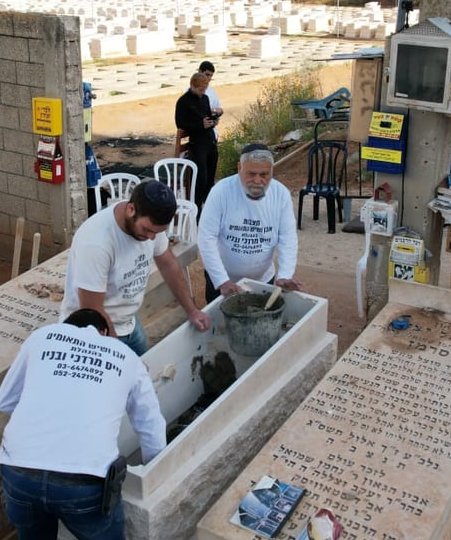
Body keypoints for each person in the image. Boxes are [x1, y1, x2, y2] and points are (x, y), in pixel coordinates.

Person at [0, 308, 166, 540]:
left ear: (66, 327)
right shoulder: (125, 355)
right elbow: (151, 426)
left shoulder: (43, 337)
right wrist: (155, 474)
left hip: (19, 469)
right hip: (85, 481)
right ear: (104, 332)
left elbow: (5, 401)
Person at [61, 179, 210, 355]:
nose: (152, 238)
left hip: (129, 323)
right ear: (131, 209)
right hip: (93, 333)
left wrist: (192, 310)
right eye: (147, 230)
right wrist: (119, 355)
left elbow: (168, 264)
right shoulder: (97, 242)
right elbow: (92, 311)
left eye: (158, 232)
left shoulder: (150, 225)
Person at [198, 142, 303, 302]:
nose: (257, 180)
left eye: (264, 174)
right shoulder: (221, 191)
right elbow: (206, 238)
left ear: (272, 171)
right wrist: (221, 280)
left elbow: (287, 238)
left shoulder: (280, 194)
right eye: (251, 173)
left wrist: (285, 275)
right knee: (218, 323)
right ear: (239, 168)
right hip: (223, 279)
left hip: (262, 280)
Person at [174, 72, 219, 211]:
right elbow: (180, 124)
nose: (202, 93)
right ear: (192, 86)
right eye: (200, 90)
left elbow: (206, 115)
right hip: (198, 143)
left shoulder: (204, 98)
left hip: (210, 140)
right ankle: (197, 210)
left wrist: (213, 121)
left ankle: (208, 207)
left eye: (204, 90)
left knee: (210, 178)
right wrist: (200, 125)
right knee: (201, 179)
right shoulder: (183, 101)